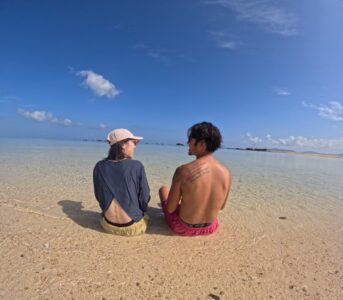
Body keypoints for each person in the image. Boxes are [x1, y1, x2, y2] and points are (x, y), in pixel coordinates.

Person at [159, 122, 231, 236]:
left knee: (163, 190)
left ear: (201, 143)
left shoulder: (183, 171)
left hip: (183, 228)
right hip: (211, 227)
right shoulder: (226, 172)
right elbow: (221, 206)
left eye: (190, 139)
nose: (187, 143)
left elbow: (171, 209)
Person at [93, 128, 150, 236]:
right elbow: (144, 197)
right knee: (147, 216)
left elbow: (99, 196)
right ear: (123, 145)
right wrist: (142, 212)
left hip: (107, 226)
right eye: (134, 142)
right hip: (133, 227)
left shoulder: (99, 166)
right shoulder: (136, 165)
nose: (135, 146)